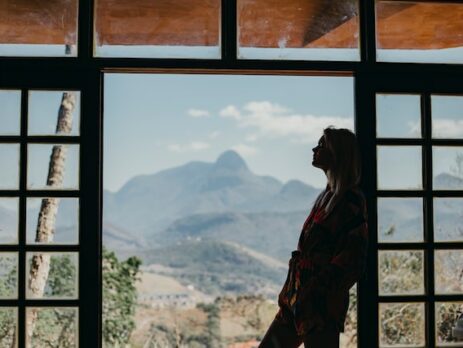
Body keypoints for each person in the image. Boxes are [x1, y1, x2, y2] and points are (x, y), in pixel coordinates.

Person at [259, 126, 369, 348]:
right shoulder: (326, 198)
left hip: (320, 305)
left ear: (337, 155)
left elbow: (352, 258)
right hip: (298, 299)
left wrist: (318, 288)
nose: (314, 149)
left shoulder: (350, 202)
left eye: (321, 146)